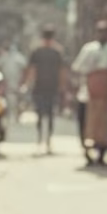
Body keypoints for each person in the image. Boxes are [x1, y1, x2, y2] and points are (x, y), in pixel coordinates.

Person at [71, 19, 107, 166]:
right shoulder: (88, 50)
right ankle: (87, 152)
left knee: (106, 125)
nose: (103, 34)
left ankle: (102, 153)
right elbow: (77, 68)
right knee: (86, 123)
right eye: (100, 31)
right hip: (87, 93)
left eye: (106, 32)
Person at [22, 25, 67, 154]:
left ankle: (43, 140)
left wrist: (27, 84)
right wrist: (62, 86)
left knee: (42, 114)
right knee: (48, 114)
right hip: (50, 87)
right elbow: (62, 71)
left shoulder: (37, 51)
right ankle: (46, 141)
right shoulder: (57, 51)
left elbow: (32, 70)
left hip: (41, 87)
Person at [0, 43, 28, 121]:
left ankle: (16, 114)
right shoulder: (4, 58)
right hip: (7, 83)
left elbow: (25, 70)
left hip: (16, 83)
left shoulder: (19, 58)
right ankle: (10, 115)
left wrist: (23, 81)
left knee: (18, 100)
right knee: (9, 99)